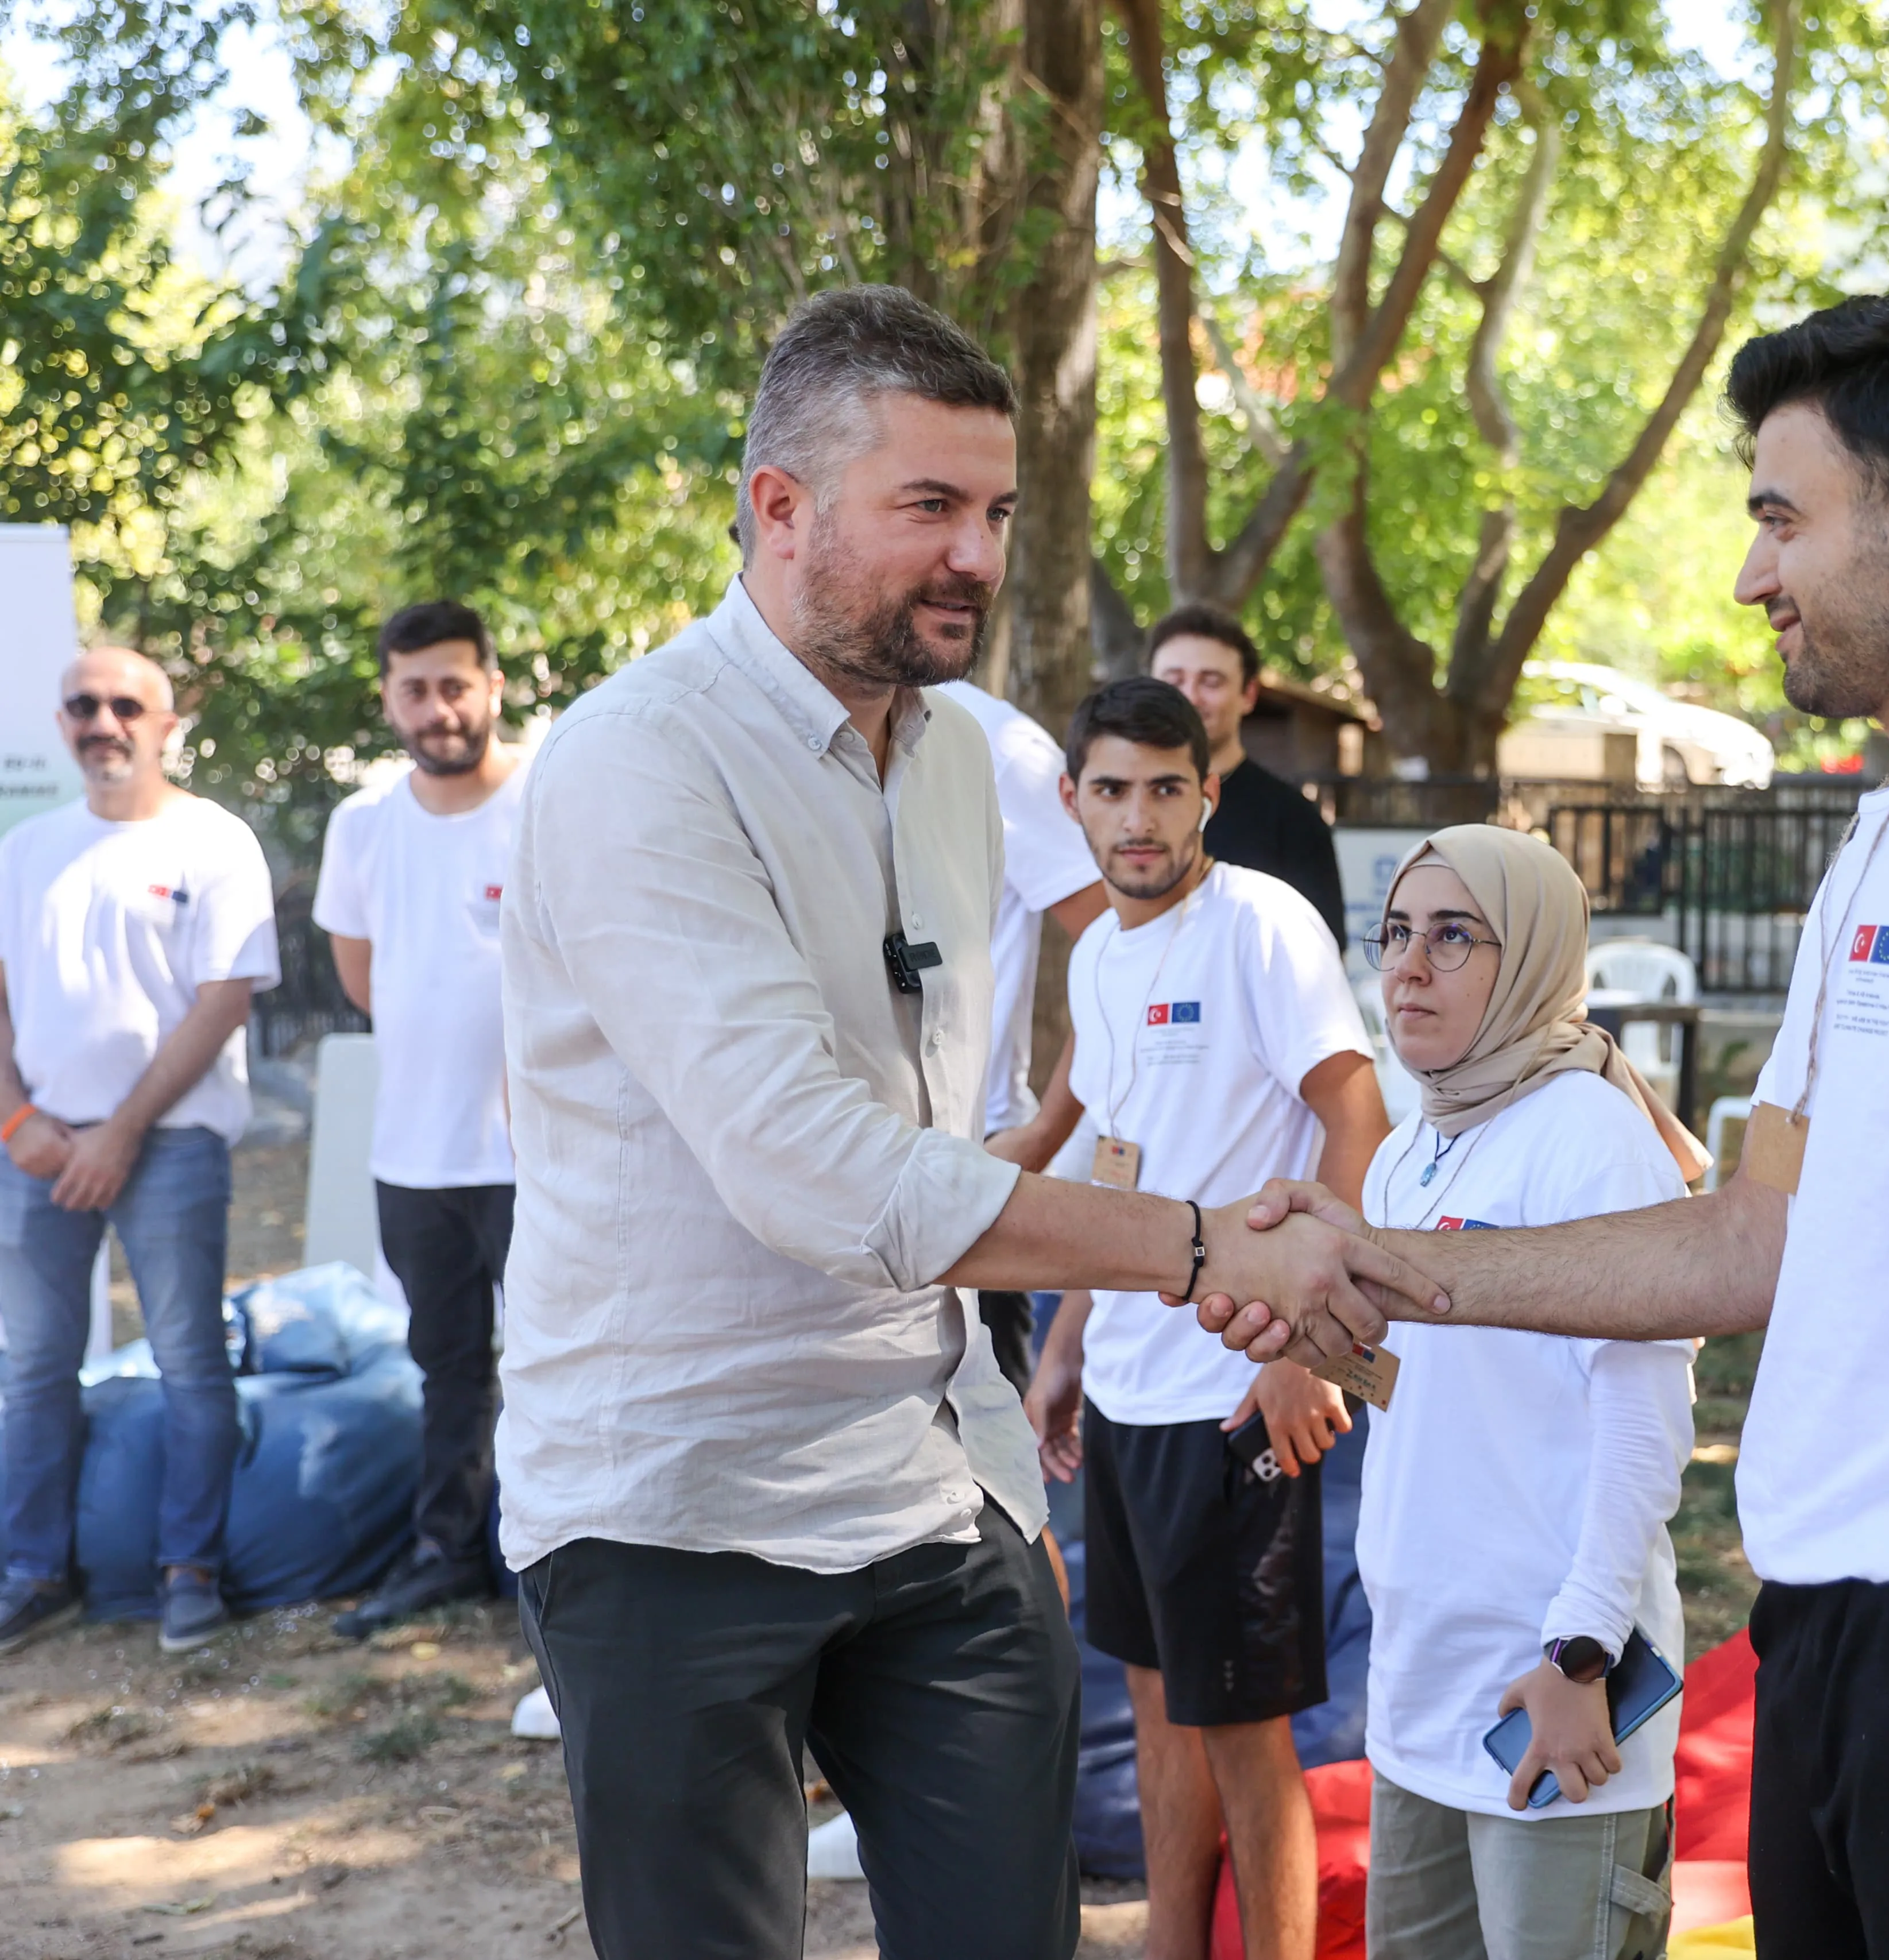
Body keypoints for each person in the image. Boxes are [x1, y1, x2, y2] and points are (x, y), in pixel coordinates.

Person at [1208, 286, 1889, 1960]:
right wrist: (1384, 1264)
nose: (1746, 574)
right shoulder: (1884, 833)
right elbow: (1742, 1235)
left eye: (1779, 516)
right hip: (1833, 1634)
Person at [496, 285, 1432, 1960]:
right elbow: (813, 1162)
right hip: (671, 1509)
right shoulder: (632, 763)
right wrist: (1202, 1248)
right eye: (926, 506)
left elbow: (1017, 1097)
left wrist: (1043, 1369)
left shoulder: (972, 764)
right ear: (778, 507)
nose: (978, 557)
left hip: (938, 1493)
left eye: (993, 512)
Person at [1021, 674, 1391, 1960]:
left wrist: (1308, 1343)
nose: (1138, 815)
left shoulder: (1262, 924)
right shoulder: (1100, 953)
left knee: (1245, 1739)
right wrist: (1067, 1343)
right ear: (1072, 799)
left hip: (1234, 1396)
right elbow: (1113, 1166)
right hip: (1127, 1394)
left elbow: (1358, 1119)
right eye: (1112, 787)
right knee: (1160, 1715)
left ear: (1207, 794)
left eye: (1165, 788)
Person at [1352, 825, 1702, 1960]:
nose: (1408, 964)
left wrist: (1580, 1654)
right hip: (1419, 1694)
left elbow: (1646, 1415)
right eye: (1397, 931)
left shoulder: (1590, 1134)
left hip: (1553, 1702)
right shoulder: (1408, 1148)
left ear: (1540, 956)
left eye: (1455, 935)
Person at [0, 647, 278, 1656]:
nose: (103, 720)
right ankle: (34, 1574)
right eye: (83, 704)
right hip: (35, 1149)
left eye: (127, 704)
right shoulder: (25, 847)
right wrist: (14, 1118)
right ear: (62, 721)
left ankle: (188, 1572)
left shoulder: (215, 840)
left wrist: (120, 1133)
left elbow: (224, 1000)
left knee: (189, 1360)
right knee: (31, 1366)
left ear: (167, 724)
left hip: (170, 1145)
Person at [313, 601, 526, 1637]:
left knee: (552, 1363)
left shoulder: (549, 799)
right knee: (447, 1365)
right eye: (415, 690)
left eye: (454, 684)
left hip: (540, 1158)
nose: (437, 710)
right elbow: (365, 982)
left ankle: (547, 1559)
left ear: (492, 684)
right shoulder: (363, 824)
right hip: (416, 1155)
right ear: (389, 699)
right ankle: (446, 1551)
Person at [925, 671, 1108, 1389]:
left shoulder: (995, 747)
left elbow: (1123, 953)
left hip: (974, 1165)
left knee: (986, 1483)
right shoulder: (749, 722)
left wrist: (1042, 1135)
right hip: (827, 1174)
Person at [1149, 602, 1348, 947]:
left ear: (1248, 695)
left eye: (1211, 682)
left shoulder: (1294, 821)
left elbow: (1321, 955)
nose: (1190, 696)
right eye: (1174, 679)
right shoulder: (1117, 811)